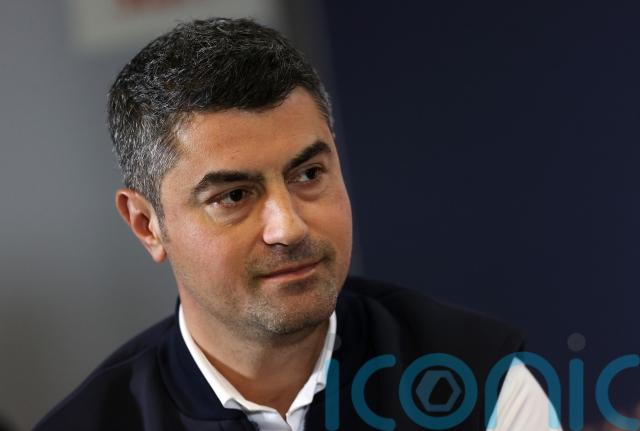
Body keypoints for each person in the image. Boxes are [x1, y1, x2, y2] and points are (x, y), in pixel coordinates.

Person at [35, 17, 559, 431]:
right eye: (233, 196)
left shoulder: (480, 381)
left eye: (308, 174)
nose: (287, 227)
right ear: (147, 225)